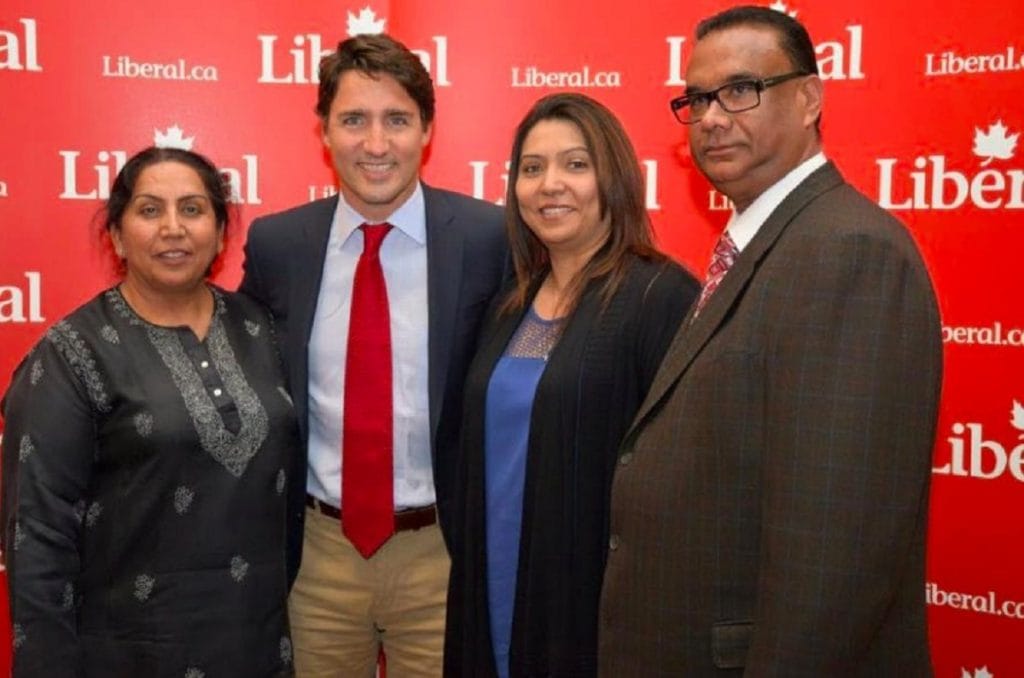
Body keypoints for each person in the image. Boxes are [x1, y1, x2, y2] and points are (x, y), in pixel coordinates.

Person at [598, 6, 943, 676]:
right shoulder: (765, 244)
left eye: (740, 90)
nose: (713, 117)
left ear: (810, 98)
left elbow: (833, 560)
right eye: (697, 99)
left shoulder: (848, 252)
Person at [239, 33, 506, 677]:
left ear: (427, 130)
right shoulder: (278, 244)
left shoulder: (489, 238)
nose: (376, 144)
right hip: (317, 555)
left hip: (441, 552)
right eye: (354, 120)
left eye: (397, 120)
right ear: (324, 130)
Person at [0, 146, 299, 677]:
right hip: (127, 654)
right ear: (116, 234)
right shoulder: (72, 353)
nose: (173, 228)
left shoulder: (263, 332)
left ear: (221, 231)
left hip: (256, 647)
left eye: (192, 209)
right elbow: (38, 535)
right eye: (149, 210)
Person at [444, 92, 699, 678]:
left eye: (575, 164)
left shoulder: (660, 297)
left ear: (613, 178)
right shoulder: (512, 303)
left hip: (592, 606)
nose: (549, 184)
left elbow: (682, 483)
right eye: (532, 169)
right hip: (493, 576)